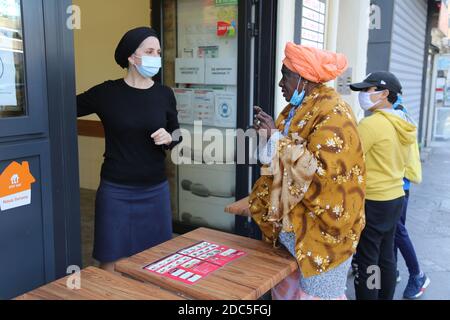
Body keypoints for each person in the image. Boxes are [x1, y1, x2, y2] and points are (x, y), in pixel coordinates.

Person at [249, 42, 366, 300]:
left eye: (285, 76)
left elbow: (323, 176)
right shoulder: (295, 109)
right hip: (291, 233)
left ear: (304, 78)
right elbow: (278, 159)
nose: (280, 83)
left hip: (322, 237)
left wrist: (275, 139)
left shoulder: (334, 112)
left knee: (318, 296)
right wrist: (270, 138)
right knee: (286, 292)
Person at [76, 27, 181, 272]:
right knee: (111, 259)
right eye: (149, 51)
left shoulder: (164, 94)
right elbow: (63, 106)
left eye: (157, 51)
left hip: (155, 190)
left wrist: (169, 137)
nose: (156, 56)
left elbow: (177, 133)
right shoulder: (106, 93)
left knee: (156, 260)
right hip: (116, 192)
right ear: (132, 57)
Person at [350, 71, 418, 300]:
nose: (363, 95)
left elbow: (349, 160)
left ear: (385, 93)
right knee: (386, 256)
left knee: (368, 259)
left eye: (368, 90)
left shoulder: (372, 125)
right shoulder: (402, 122)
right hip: (396, 196)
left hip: (373, 200)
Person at [394, 105, 430, 299]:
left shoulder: (398, 115)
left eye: (370, 90)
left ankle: (418, 275)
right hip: (396, 186)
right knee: (392, 232)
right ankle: (392, 271)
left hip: (397, 186)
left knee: (397, 231)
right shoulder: (396, 113)